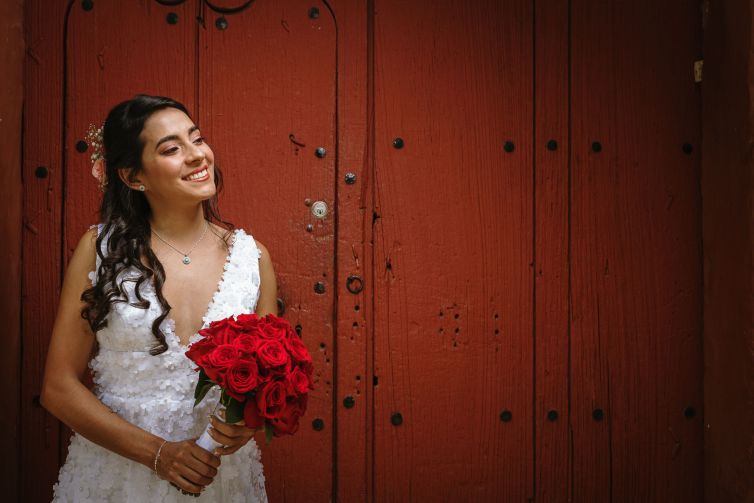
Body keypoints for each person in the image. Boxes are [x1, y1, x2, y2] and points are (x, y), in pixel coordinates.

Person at [41, 94, 276, 501]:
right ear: (134, 177)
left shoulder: (252, 258)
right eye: (171, 149)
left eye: (196, 139)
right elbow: (58, 387)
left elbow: (269, 380)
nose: (196, 155)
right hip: (115, 478)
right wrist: (159, 455)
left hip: (218, 478)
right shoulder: (100, 250)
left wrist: (249, 422)